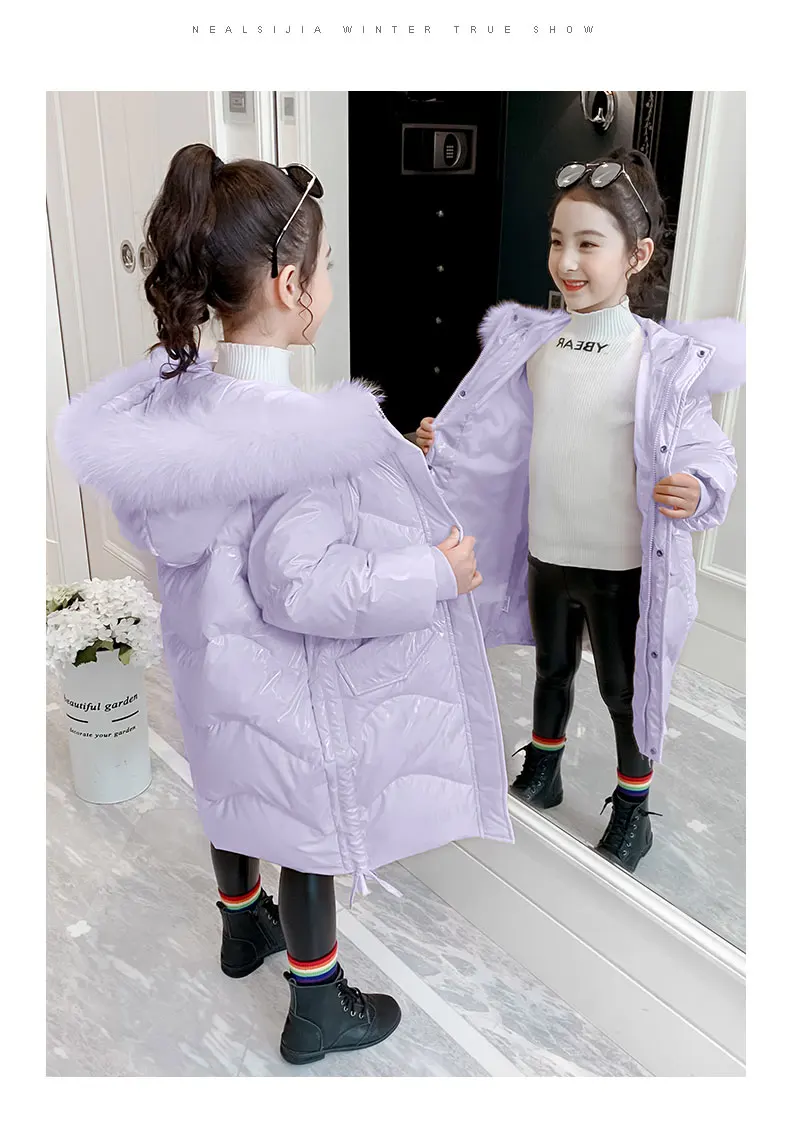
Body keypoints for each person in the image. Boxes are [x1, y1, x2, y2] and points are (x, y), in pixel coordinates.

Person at [57, 143, 513, 1065]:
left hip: (214, 673)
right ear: (291, 284)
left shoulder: (182, 406)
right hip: (286, 684)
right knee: (306, 828)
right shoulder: (302, 437)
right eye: (327, 264)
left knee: (233, 788)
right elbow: (304, 582)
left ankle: (241, 924)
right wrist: (433, 572)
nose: (330, 281)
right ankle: (317, 1005)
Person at [414, 148, 744, 874]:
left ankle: (633, 806)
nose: (566, 261)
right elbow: (498, 430)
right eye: (558, 240)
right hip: (547, 552)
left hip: (620, 564)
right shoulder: (534, 346)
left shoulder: (661, 362)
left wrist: (698, 486)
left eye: (588, 244)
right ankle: (545, 764)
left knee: (625, 689)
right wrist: (448, 437)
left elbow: (709, 450)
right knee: (552, 668)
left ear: (637, 256)